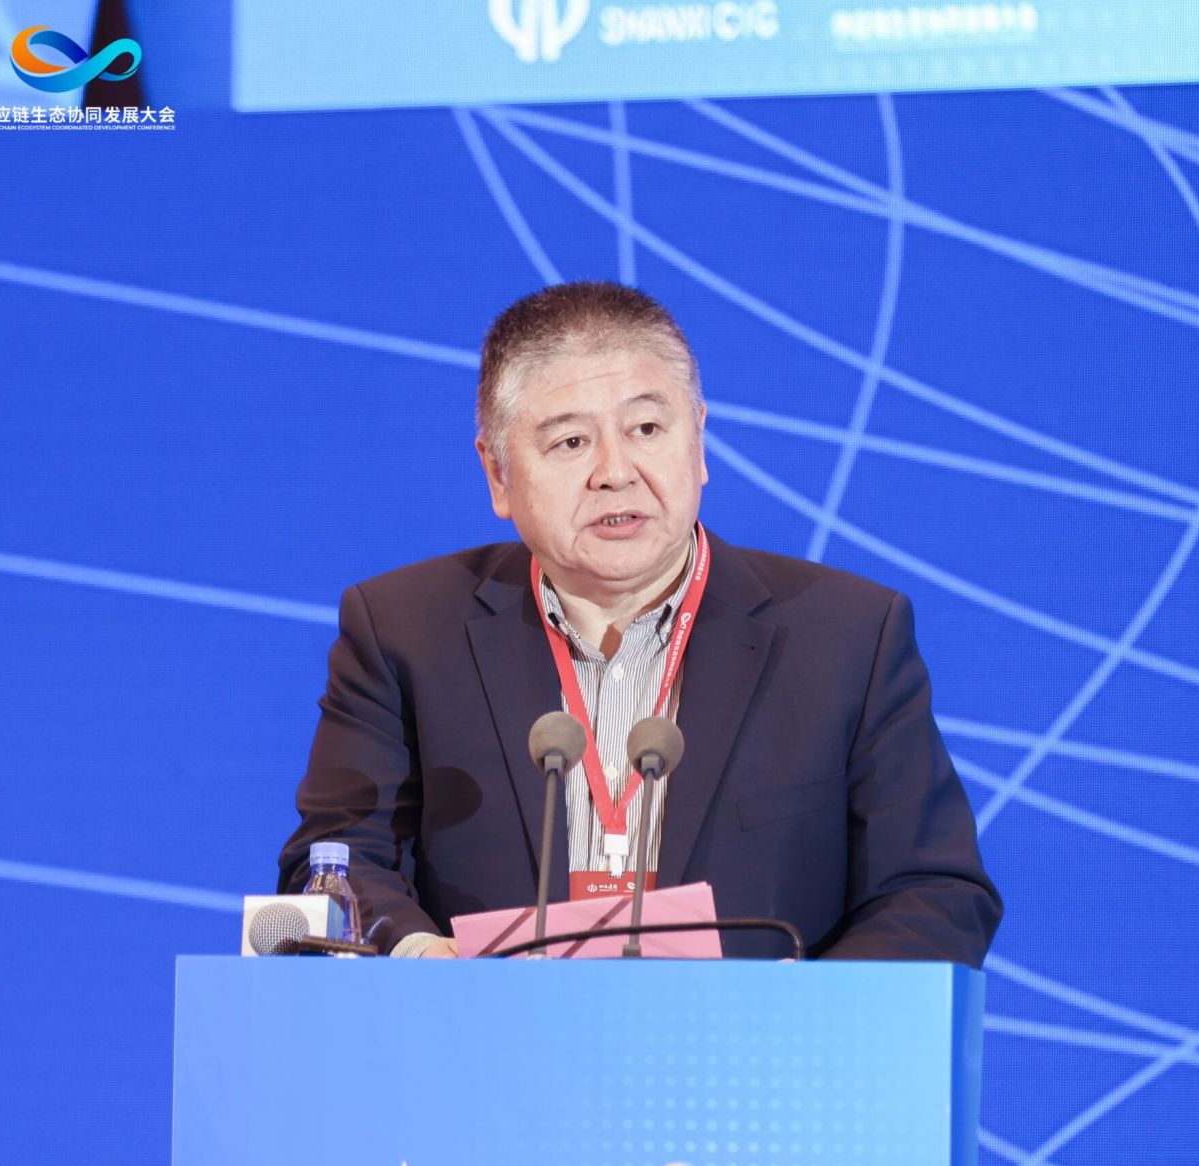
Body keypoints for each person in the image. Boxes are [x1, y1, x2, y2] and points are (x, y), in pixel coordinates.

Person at [279, 282, 1002, 963]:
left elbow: (934, 894)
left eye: (647, 428)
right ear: (498, 473)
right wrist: (422, 961)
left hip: (751, 1053)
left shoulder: (847, 637)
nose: (615, 472)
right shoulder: (405, 632)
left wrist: (798, 1016)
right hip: (485, 1044)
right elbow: (334, 860)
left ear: (699, 441)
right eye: (571, 442)